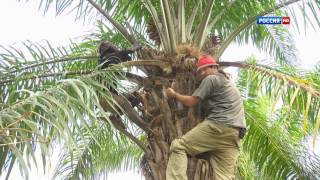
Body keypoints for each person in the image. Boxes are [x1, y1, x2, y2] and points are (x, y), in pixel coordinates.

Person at [165, 55, 246, 180]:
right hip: (234, 135)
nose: (202, 73)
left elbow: (191, 102)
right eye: (200, 71)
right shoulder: (228, 83)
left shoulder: (212, 79)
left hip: (218, 127)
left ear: (215, 67)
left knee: (178, 146)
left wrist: (174, 94)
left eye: (205, 69)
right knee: (225, 177)